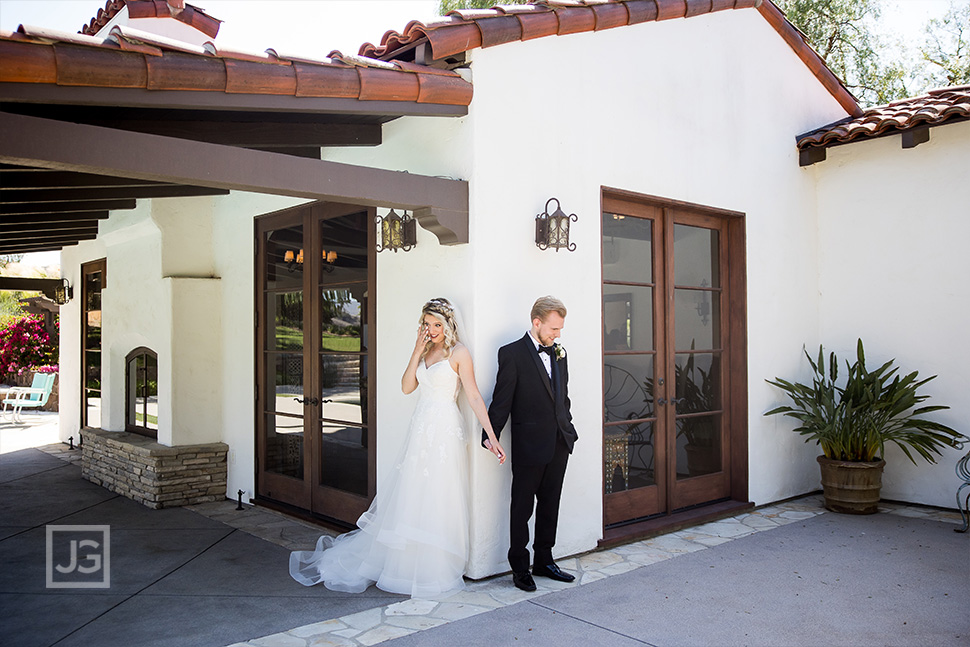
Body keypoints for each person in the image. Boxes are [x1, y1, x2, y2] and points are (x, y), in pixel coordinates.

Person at [290, 297, 506, 598]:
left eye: (436, 325)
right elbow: (407, 387)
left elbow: (473, 396)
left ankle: (434, 565)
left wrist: (491, 435)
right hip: (420, 427)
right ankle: (405, 561)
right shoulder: (425, 349)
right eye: (427, 324)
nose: (431, 330)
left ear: (448, 325)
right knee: (412, 491)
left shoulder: (459, 353)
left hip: (444, 429)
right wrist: (417, 350)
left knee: (439, 495)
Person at [483, 296, 579, 592]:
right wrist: (490, 434)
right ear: (536, 323)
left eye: (560, 329)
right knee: (522, 508)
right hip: (529, 444)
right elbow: (502, 400)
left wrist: (569, 428)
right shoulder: (511, 354)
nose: (557, 335)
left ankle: (545, 561)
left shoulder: (559, 352)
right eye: (553, 329)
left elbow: (561, 397)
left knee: (550, 504)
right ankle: (520, 568)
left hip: (559, 442)